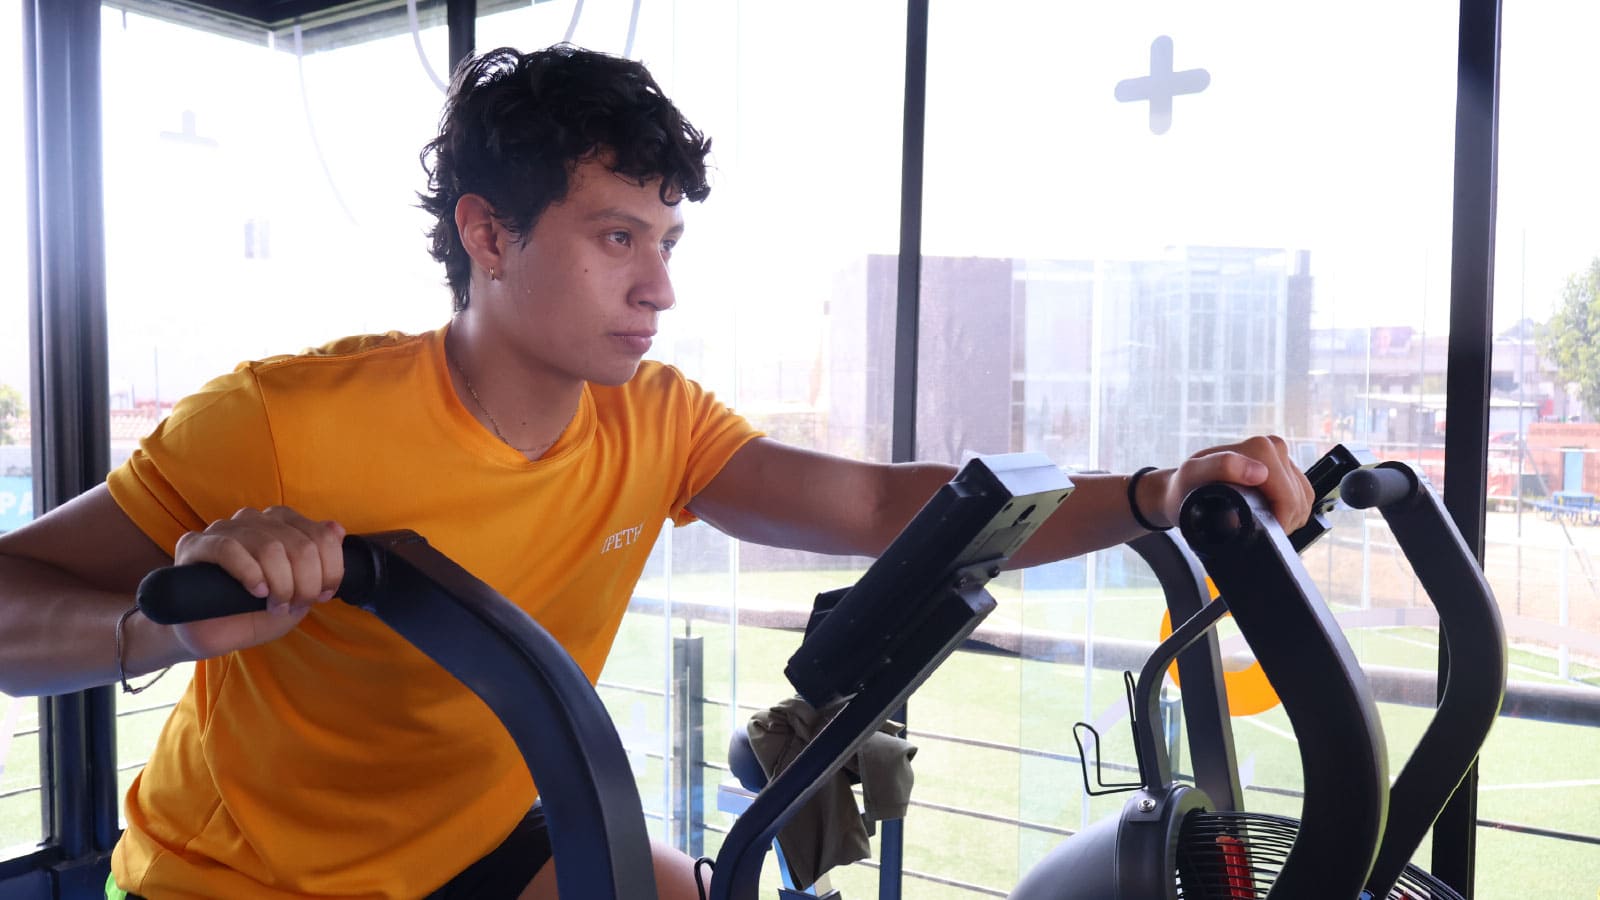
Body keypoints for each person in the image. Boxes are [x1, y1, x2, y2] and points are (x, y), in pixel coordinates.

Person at [0, 44, 1314, 900]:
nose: (661, 286)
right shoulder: (281, 424)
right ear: (488, 234)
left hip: (498, 840)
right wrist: (152, 624)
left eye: (669, 238)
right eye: (618, 235)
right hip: (244, 884)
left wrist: (1154, 494)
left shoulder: (657, 422)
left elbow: (876, 505)